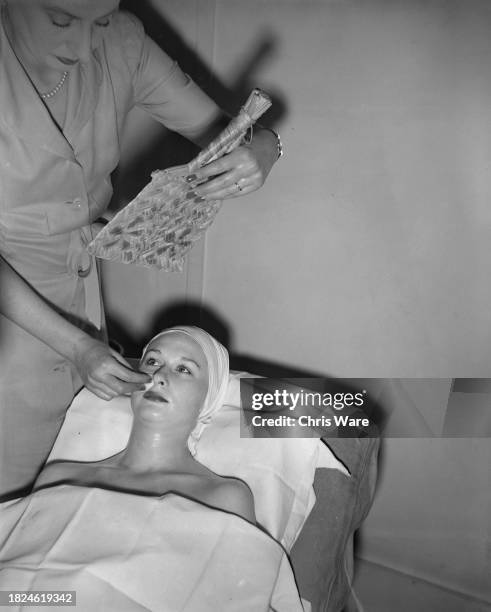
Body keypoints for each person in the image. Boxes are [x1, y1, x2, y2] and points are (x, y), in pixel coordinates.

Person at [0, 0, 281, 499]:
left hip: (80, 294)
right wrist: (77, 346)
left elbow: (228, 133)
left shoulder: (227, 494)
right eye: (62, 20)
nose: (87, 45)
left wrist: (263, 150)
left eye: (101, 20)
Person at [34, 326, 256, 523]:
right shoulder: (58, 478)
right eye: (152, 361)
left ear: (209, 398)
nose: (158, 376)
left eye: (184, 369)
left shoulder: (224, 498)